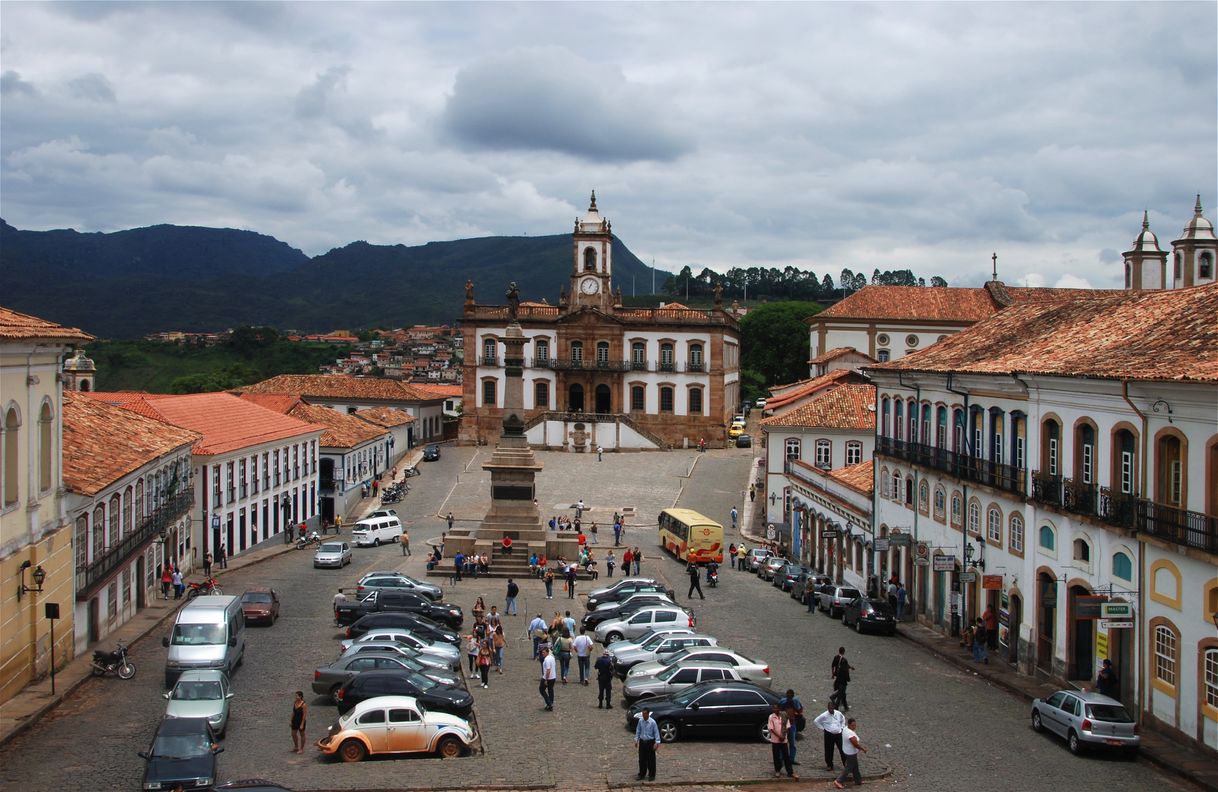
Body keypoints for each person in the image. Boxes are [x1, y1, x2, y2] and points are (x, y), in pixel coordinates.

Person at [813, 700, 847, 771]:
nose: (830, 710)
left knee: (842, 749)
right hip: (829, 734)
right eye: (829, 708)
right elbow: (816, 721)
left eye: (831, 708)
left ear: (834, 707)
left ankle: (846, 763)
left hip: (838, 733)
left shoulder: (838, 713)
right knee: (829, 750)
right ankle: (829, 764)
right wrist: (823, 728)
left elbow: (843, 719)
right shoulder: (824, 715)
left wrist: (842, 727)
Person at [833, 717, 866, 789]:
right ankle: (839, 781)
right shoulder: (850, 733)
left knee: (855, 766)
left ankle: (858, 780)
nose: (854, 727)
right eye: (853, 725)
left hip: (846, 750)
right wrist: (863, 749)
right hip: (851, 753)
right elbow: (855, 744)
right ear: (849, 724)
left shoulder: (845, 728)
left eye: (855, 725)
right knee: (849, 767)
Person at [767, 702, 796, 779]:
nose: (775, 709)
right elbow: (771, 729)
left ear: (779, 708)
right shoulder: (771, 717)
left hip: (784, 740)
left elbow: (788, 726)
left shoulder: (784, 715)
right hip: (775, 740)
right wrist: (779, 736)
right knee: (776, 756)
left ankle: (790, 772)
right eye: (773, 708)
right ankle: (777, 771)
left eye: (776, 708)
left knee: (786, 756)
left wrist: (783, 735)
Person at [778, 687, 804, 765]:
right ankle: (781, 758)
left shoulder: (795, 701)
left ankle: (791, 759)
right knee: (783, 742)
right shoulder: (783, 701)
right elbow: (778, 709)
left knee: (792, 743)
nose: (789, 696)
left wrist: (793, 705)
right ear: (786, 695)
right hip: (784, 724)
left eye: (791, 694)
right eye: (788, 694)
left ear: (792, 695)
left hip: (792, 724)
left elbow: (800, 711)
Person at [634, 706, 660, 781]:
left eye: (645, 714)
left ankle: (652, 775)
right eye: (643, 713)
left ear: (648, 714)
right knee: (642, 759)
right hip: (642, 742)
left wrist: (657, 742)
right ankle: (642, 774)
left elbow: (656, 733)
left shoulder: (652, 722)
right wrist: (636, 740)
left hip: (650, 742)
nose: (643, 715)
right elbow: (638, 730)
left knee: (651, 759)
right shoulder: (640, 721)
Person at [539, 646, 557, 710]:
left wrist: (546, 679)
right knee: (550, 690)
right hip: (553, 677)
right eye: (542, 652)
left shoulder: (547, 659)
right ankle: (550, 703)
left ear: (547, 652)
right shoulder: (552, 657)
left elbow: (548, 670)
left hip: (547, 678)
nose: (542, 654)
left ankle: (549, 703)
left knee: (541, 689)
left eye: (543, 652)